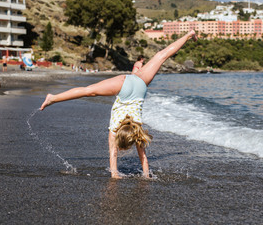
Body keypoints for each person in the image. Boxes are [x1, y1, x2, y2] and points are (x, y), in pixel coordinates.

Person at [40, 30, 197, 179]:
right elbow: (114, 154)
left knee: (161, 56)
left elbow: (142, 158)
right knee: (89, 91)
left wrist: (145, 175)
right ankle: (52, 98)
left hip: (140, 84)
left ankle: (189, 34)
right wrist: (119, 174)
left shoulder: (137, 129)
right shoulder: (118, 130)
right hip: (124, 86)